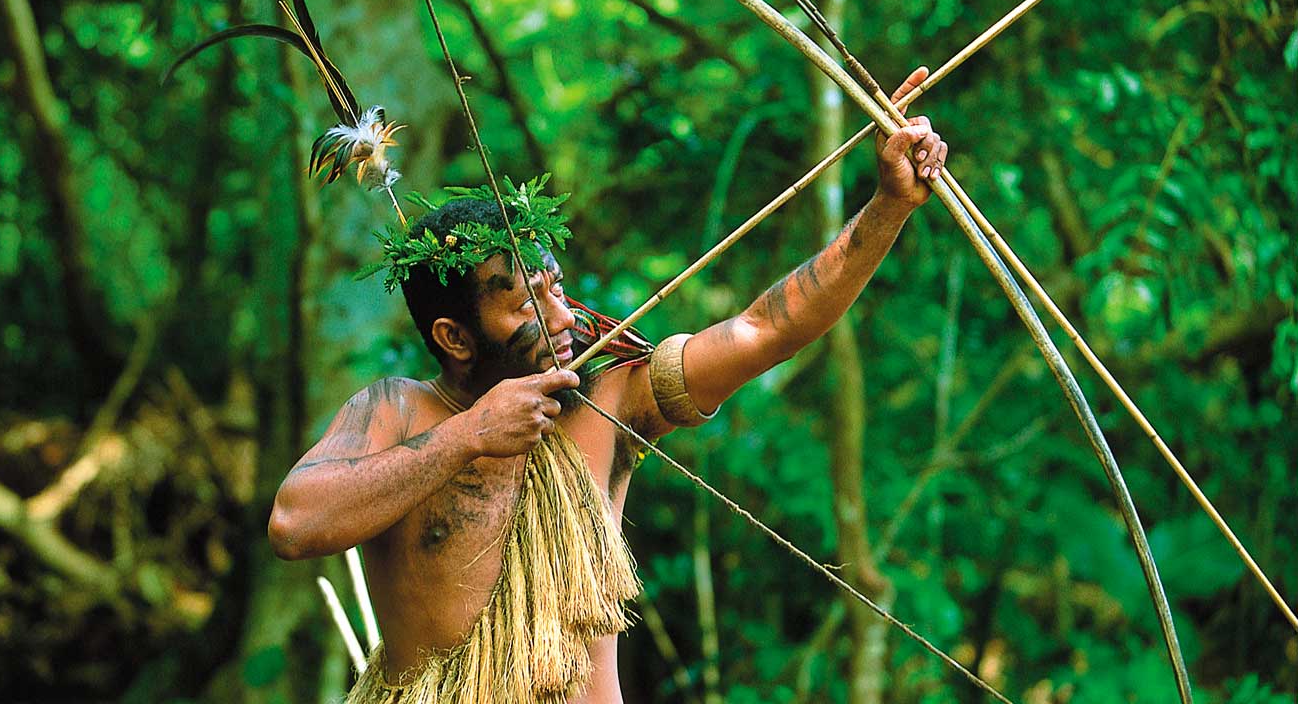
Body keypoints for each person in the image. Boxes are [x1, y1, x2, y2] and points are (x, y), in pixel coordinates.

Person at [268, 67, 949, 704]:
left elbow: (766, 328)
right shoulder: (398, 410)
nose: (563, 317)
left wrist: (889, 205)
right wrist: (469, 435)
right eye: (528, 305)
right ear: (454, 337)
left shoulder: (609, 392)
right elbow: (296, 524)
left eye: (556, 287)